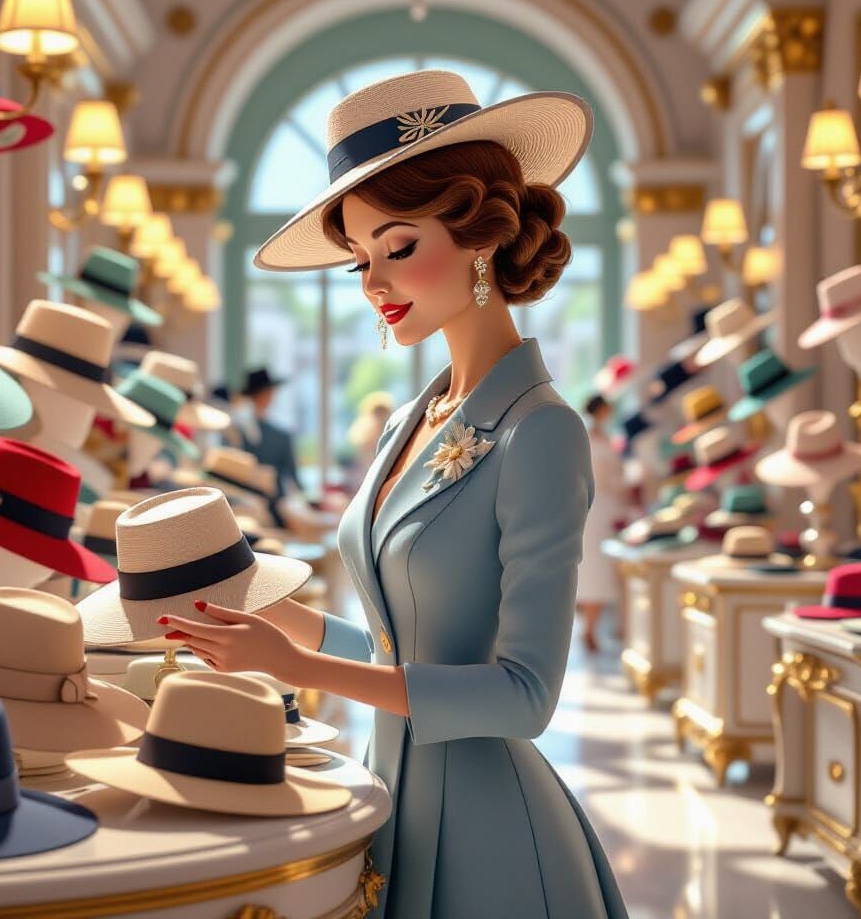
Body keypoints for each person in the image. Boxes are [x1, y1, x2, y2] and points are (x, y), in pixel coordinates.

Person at [158, 69, 627, 918]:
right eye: (362, 258)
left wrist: (301, 667)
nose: (375, 281)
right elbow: (401, 641)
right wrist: (277, 623)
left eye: (399, 247)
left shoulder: (541, 431)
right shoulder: (412, 418)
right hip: (391, 800)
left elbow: (526, 695)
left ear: (481, 235)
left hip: (495, 838)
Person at [578, 392, 629, 652]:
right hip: (601, 506)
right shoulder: (592, 438)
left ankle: (610, 626)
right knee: (598, 567)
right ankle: (592, 627)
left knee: (604, 567)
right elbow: (611, 477)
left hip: (603, 506)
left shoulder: (600, 437)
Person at [237, 366, 303, 502]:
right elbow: (293, 475)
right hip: (262, 501)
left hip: (257, 500)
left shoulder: (238, 429)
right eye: (269, 392)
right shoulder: (239, 430)